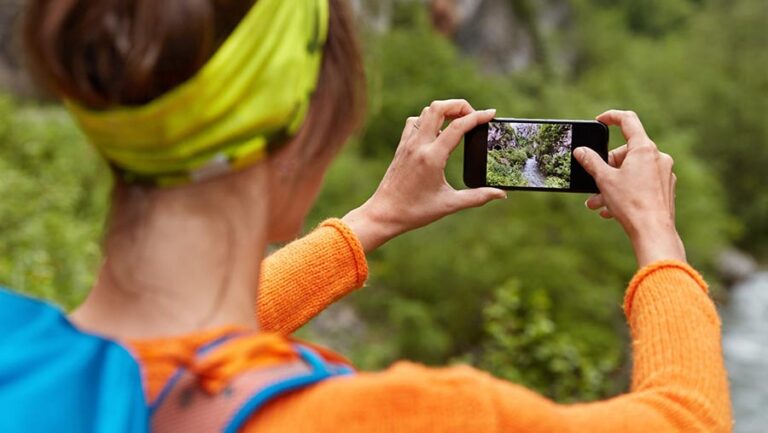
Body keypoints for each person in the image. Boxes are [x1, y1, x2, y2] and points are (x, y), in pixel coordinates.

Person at [18, 0, 731, 431]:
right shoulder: (404, 419)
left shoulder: (19, 357)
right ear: (301, 134)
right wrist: (661, 245)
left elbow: (162, 353)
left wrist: (370, 222)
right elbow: (688, 420)